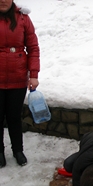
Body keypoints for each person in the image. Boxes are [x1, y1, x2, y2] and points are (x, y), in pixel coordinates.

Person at [0, 0, 40, 168]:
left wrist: (33, 75)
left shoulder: (23, 18)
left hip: (18, 78)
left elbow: (33, 48)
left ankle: (18, 150)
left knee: (14, 117)